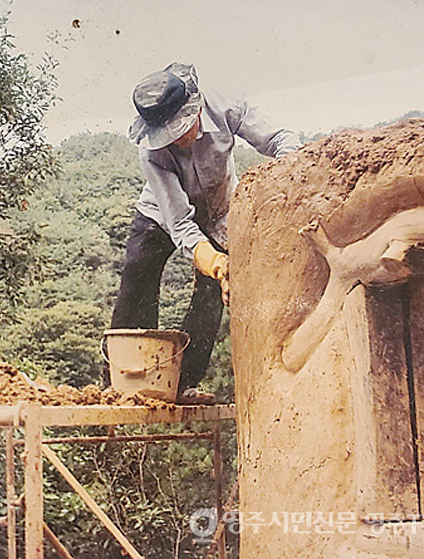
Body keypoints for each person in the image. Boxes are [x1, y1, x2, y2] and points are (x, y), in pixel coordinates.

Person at [110, 62, 301, 402]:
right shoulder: (151, 154)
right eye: (167, 135)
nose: (179, 141)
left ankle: (182, 384)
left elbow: (279, 138)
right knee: (138, 273)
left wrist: (287, 180)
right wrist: (213, 260)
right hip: (162, 214)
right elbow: (180, 223)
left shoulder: (226, 105)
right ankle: (125, 381)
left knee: (212, 293)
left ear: (195, 107)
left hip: (220, 211)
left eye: (180, 129)